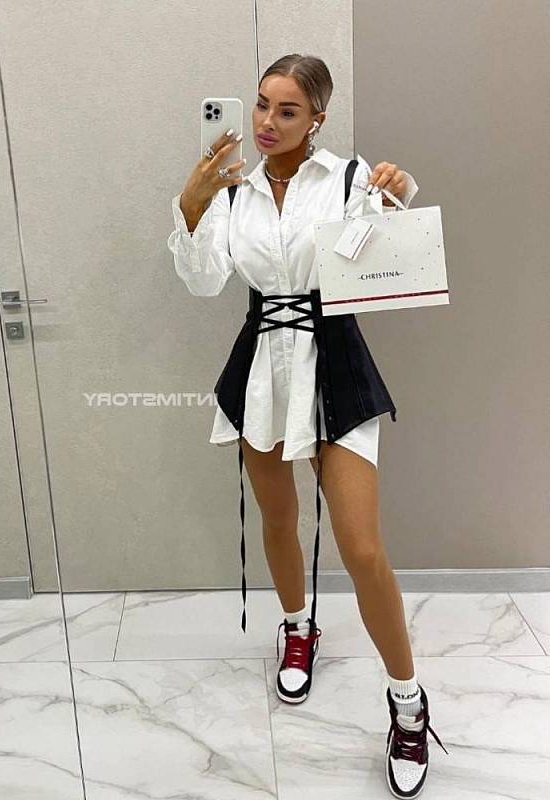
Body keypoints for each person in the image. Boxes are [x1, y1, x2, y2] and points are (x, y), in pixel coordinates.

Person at [166, 53, 449, 799]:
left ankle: (408, 701)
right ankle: (298, 627)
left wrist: (397, 197)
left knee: (362, 547)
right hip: (263, 364)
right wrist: (192, 204)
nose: (266, 122)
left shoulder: (348, 179)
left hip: (336, 363)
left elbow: (387, 263)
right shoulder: (233, 189)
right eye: (261, 104)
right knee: (278, 517)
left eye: (287, 110)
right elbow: (204, 282)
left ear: (316, 118)